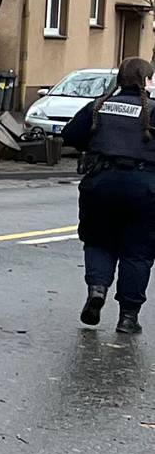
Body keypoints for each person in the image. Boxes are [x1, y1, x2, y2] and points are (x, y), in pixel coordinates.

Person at [61, 56, 155, 333]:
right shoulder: (152, 110)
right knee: (138, 253)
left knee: (99, 242)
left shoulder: (98, 107)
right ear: (146, 81)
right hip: (144, 189)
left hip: (100, 184)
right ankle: (128, 317)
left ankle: (97, 291)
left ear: (119, 80)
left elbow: (70, 136)